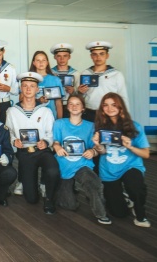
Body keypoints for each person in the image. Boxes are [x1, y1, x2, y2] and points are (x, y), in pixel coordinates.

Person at [93, 93, 151, 228]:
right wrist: (97, 145)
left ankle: (140, 213)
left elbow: (146, 154)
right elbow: (103, 152)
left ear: (121, 107)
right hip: (109, 170)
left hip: (130, 166)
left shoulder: (134, 126)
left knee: (136, 187)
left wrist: (130, 146)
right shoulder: (99, 127)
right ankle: (125, 197)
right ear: (102, 109)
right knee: (119, 213)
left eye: (114, 105)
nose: (110, 108)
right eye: (105, 105)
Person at [52, 93, 111, 224]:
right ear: (67, 107)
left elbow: (96, 148)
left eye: (78, 104)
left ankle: (101, 214)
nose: (74, 106)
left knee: (94, 183)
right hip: (64, 166)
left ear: (83, 108)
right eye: (71, 104)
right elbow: (55, 142)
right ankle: (70, 187)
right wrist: (57, 146)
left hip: (82, 164)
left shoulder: (90, 126)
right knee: (69, 205)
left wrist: (92, 151)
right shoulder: (59, 123)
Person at [7, 72, 59, 214]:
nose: (28, 89)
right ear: (21, 88)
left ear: (37, 89)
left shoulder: (46, 111)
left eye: (32, 86)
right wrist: (14, 141)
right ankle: (30, 184)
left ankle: (49, 198)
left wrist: (46, 142)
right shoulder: (12, 111)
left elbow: (51, 133)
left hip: (42, 151)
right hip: (25, 153)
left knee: (53, 170)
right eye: (25, 86)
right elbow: (9, 132)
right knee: (31, 199)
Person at [79, 41, 129, 122]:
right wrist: (80, 92)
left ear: (107, 55)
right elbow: (81, 97)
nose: (98, 57)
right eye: (95, 54)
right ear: (91, 56)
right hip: (89, 112)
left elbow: (123, 97)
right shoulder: (85, 73)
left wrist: (124, 117)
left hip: (109, 113)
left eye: (102, 54)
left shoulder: (116, 74)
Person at [29, 50, 64, 119]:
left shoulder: (55, 80)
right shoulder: (28, 79)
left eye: (43, 60)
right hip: (33, 116)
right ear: (34, 63)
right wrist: (37, 100)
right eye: (38, 60)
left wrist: (59, 121)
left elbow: (58, 103)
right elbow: (21, 99)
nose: (41, 63)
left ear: (47, 62)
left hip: (51, 117)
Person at [50, 43, 78, 117]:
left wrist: (73, 92)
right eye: (59, 56)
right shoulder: (50, 73)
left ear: (69, 57)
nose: (62, 59)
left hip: (70, 107)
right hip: (53, 106)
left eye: (65, 56)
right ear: (55, 57)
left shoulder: (76, 73)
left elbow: (81, 95)